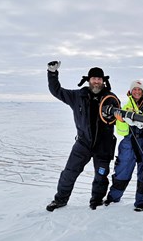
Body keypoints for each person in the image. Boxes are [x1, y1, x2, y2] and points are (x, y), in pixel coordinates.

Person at [45, 61, 119, 211]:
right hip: (83, 144)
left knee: (101, 177)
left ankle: (96, 202)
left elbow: (118, 117)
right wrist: (52, 73)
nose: (97, 81)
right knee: (69, 173)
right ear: (89, 80)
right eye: (94, 78)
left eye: (99, 79)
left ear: (103, 81)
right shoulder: (78, 95)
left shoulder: (111, 98)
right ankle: (60, 200)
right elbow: (56, 90)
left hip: (103, 146)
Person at [104, 80, 143, 211]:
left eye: (139, 89)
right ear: (130, 92)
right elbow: (121, 131)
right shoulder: (125, 108)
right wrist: (121, 121)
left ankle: (141, 203)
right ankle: (113, 198)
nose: (136, 92)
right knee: (121, 172)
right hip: (128, 143)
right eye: (134, 89)